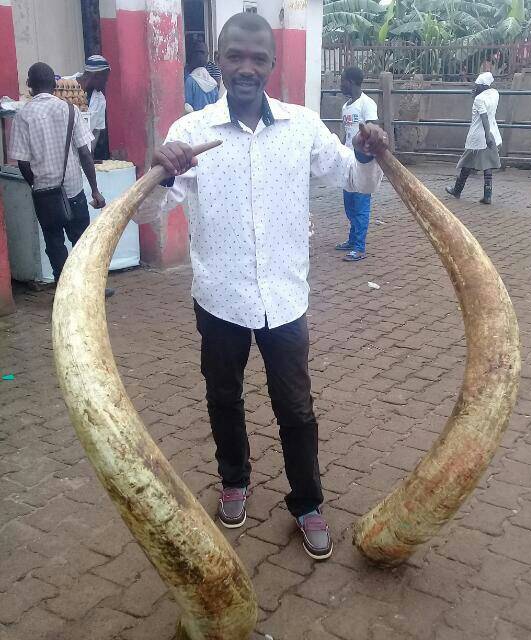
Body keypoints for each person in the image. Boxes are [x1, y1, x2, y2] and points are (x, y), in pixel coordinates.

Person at [136, 12, 388, 561]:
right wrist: (160, 171)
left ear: (271, 64)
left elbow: (351, 175)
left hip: (285, 298)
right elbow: (148, 214)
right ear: (220, 60)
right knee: (223, 397)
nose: (246, 67)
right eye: (235, 56)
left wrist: (367, 153)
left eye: (257, 58)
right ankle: (234, 479)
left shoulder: (301, 126)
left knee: (296, 408)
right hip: (219, 297)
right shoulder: (190, 133)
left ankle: (307, 502)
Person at [9, 62, 112, 292]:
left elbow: (23, 163)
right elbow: (85, 153)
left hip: (45, 194)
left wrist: (35, 184)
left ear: (29, 85)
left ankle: (64, 291)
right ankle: (90, 290)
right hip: (74, 190)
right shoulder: (70, 110)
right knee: (82, 243)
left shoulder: (22, 116)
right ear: (55, 84)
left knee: (54, 243)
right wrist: (94, 189)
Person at [336, 66, 379, 262]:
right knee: (349, 204)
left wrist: (366, 153)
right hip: (348, 160)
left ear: (350, 82)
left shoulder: (367, 104)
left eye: (342, 80)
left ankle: (360, 247)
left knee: (361, 204)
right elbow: (347, 133)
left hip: (363, 161)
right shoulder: (346, 107)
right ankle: (352, 240)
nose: (340, 84)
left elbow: (373, 131)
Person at [446, 72, 502, 205]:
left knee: (466, 164)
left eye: (477, 86)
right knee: (486, 165)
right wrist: (489, 136)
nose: (474, 88)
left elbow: (484, 117)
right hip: (492, 133)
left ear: (482, 87)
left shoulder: (479, 99)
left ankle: (457, 190)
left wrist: (486, 136)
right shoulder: (495, 94)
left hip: (479, 136)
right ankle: (487, 195)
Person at [65, 55, 111, 153]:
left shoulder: (101, 100)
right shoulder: (63, 85)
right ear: (96, 76)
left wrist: (89, 154)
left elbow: (96, 131)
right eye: (105, 79)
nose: (106, 82)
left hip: (82, 154)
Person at [185, 39, 219, 112]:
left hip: (196, 120)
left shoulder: (190, 80)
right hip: (211, 120)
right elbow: (216, 106)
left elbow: (188, 106)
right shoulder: (213, 83)